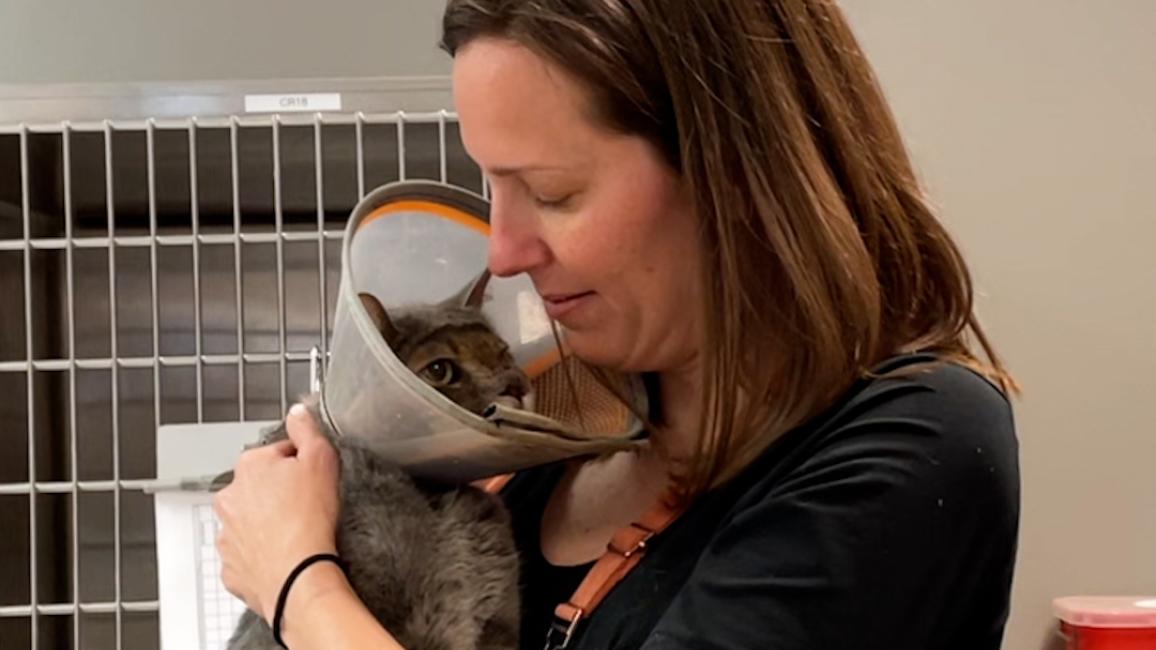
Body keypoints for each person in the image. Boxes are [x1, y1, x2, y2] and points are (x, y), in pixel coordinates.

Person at [213, 1, 1021, 648]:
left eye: (554, 193)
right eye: (492, 184)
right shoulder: (552, 430)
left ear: (734, 174)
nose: (503, 253)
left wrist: (297, 582)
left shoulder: (916, 445)